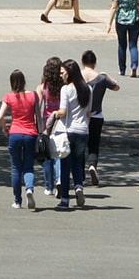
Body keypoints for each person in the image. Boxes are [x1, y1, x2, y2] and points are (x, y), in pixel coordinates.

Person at [49, 59, 92, 209]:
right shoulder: (88, 89)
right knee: (78, 163)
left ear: (69, 73)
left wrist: (55, 114)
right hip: (83, 131)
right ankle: (79, 186)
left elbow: (63, 111)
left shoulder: (66, 89)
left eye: (62, 73)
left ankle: (65, 200)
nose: (61, 75)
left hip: (69, 130)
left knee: (65, 165)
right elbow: (88, 112)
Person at [0, 69, 40, 209]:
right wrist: (41, 132)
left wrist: (5, 128)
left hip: (15, 133)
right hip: (30, 134)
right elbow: (38, 117)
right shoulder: (33, 95)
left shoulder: (9, 97)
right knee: (28, 166)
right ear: (24, 81)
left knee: (16, 168)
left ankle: (17, 201)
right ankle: (29, 189)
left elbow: (0, 116)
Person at [79, 50, 120, 186]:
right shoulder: (101, 78)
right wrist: (106, 75)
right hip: (96, 115)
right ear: (95, 63)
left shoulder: (78, 76)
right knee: (94, 144)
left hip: (80, 116)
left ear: (82, 61)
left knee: (79, 144)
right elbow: (116, 87)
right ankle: (92, 165)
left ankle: (80, 173)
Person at [36, 57, 64, 194]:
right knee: (58, 153)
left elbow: (37, 107)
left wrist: (38, 126)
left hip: (47, 123)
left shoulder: (42, 87)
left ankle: (49, 186)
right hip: (61, 122)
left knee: (47, 155)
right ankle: (59, 179)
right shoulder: (64, 87)